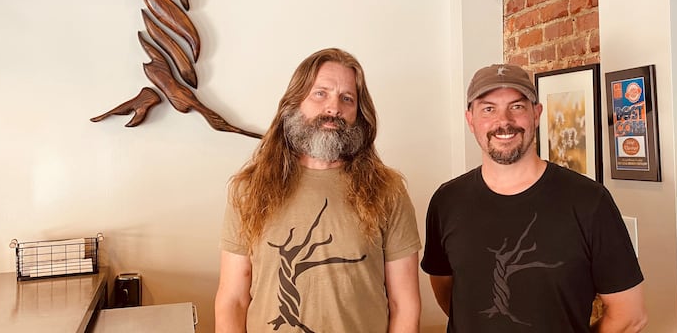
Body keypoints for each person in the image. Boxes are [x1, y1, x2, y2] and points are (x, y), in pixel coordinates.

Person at [421, 63, 648, 332]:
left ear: (536, 114)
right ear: (470, 119)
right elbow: (451, 297)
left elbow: (630, 315)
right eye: (488, 109)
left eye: (517, 107)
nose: (503, 121)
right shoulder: (446, 201)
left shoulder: (589, 201)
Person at [215, 48, 422, 333]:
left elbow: (405, 304)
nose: (334, 108)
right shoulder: (249, 189)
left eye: (346, 99)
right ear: (295, 101)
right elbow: (232, 300)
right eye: (320, 93)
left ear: (359, 114)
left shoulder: (388, 191)